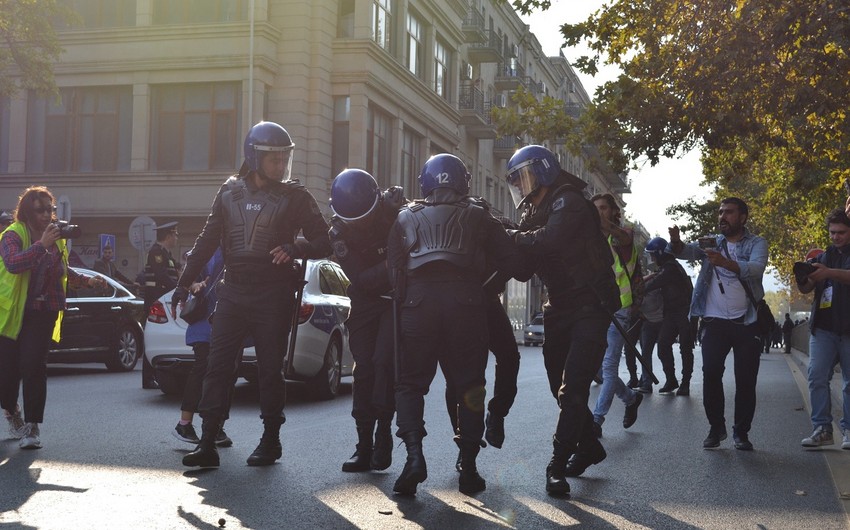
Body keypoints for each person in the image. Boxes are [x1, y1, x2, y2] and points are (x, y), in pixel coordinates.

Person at [172, 121, 330, 469]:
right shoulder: (228, 193)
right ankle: (208, 440)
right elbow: (206, 240)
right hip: (233, 291)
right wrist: (183, 284)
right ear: (254, 157)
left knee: (270, 370)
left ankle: (270, 441)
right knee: (216, 366)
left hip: (274, 293)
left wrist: (295, 246)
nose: (281, 165)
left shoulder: (296, 196)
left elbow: (326, 240)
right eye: (274, 158)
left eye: (285, 158)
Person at [387, 153, 526, 496]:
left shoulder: (405, 216)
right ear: (463, 182)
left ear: (426, 182)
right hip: (466, 304)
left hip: (418, 305)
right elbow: (512, 261)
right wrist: (480, 287)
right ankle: (469, 468)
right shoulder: (480, 215)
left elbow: (394, 271)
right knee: (469, 386)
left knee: (409, 385)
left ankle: (414, 458)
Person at [506, 145, 620, 496]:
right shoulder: (532, 211)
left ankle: (556, 465)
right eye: (517, 181)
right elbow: (524, 270)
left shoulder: (566, 200)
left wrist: (510, 237)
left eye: (525, 177)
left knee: (573, 389)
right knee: (559, 385)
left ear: (542, 171)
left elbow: (548, 240)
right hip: (558, 306)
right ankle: (589, 446)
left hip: (589, 304)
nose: (522, 187)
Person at [0, 186, 107, 449]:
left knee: (34, 366)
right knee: (8, 372)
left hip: (43, 312)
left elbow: (62, 269)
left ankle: (33, 427)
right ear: (27, 211)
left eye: (50, 209)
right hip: (12, 313)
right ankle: (12, 411)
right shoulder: (13, 235)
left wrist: (88, 282)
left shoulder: (56, 237)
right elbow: (13, 264)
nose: (47, 215)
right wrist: (41, 245)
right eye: (41, 210)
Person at [668, 197, 768, 450]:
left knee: (746, 380)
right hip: (713, 321)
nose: (723, 216)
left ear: (743, 217)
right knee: (711, 373)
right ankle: (716, 428)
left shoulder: (757, 243)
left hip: (746, 322)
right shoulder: (712, 242)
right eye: (721, 212)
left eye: (729, 212)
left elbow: (756, 269)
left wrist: (726, 263)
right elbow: (685, 252)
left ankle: (741, 433)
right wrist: (677, 242)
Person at [328, 169, 403, 473]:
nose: (358, 225)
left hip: (395, 303)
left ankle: (383, 436)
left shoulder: (393, 210)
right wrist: (394, 262)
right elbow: (360, 279)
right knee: (364, 371)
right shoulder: (339, 233)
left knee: (384, 364)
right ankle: (363, 446)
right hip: (365, 303)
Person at [587, 193, 644, 440]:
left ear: (613, 212)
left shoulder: (623, 236)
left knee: (609, 367)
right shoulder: (588, 240)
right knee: (597, 366)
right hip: (594, 308)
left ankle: (596, 420)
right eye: (594, 209)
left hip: (619, 309)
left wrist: (599, 222)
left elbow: (622, 236)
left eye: (602, 208)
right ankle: (630, 398)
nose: (599, 212)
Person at [796, 208, 850, 449]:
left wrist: (828, 273)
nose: (836, 237)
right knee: (816, 375)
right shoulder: (824, 256)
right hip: (824, 328)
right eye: (832, 232)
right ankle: (822, 429)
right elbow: (807, 289)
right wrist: (803, 277)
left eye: (841, 232)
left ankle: (848, 430)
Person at [171, 247, 233, 449]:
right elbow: (187, 276)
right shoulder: (207, 248)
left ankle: (215, 427)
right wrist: (194, 285)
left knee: (227, 372)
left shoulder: (241, 243)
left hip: (229, 322)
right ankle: (184, 424)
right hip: (206, 322)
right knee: (204, 369)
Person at [643, 237, 694, 396]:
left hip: (684, 312)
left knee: (685, 348)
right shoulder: (668, 267)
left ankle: (685, 383)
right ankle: (671, 379)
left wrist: (637, 288)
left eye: (653, 255)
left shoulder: (670, 268)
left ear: (659, 253)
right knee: (663, 345)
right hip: (672, 313)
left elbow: (652, 285)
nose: (652, 258)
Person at [143, 221, 179, 314]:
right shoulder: (156, 252)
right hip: (156, 296)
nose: (176, 238)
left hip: (163, 295)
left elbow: (176, 270)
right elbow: (161, 275)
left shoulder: (166, 253)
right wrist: (177, 288)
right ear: (168, 237)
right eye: (175, 235)